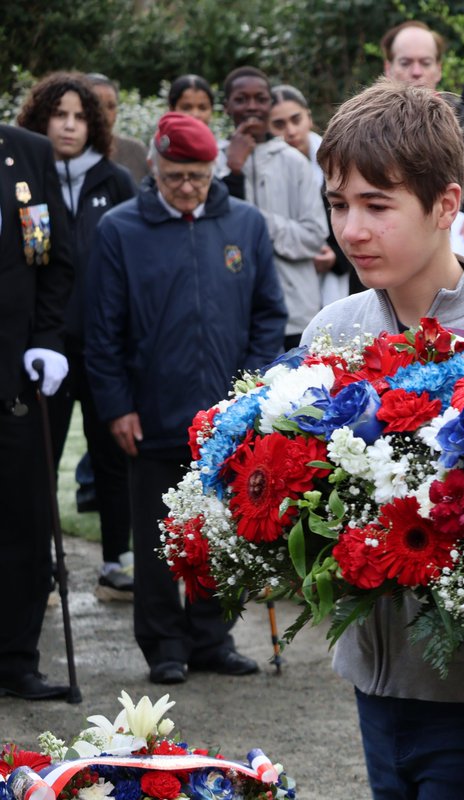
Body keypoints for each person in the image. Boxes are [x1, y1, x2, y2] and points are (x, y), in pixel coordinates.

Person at [301, 79, 464, 800]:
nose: (352, 230)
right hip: (373, 680)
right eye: (339, 204)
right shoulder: (331, 333)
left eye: (378, 206)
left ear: (446, 206)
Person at [87, 111, 287, 685]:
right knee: (160, 537)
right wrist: (116, 406)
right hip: (152, 412)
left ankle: (212, 637)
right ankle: (163, 645)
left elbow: (268, 314)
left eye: (197, 177)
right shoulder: (120, 229)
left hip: (228, 415)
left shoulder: (245, 223)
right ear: (154, 167)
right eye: (174, 176)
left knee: (220, 531)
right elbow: (102, 331)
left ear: (213, 170)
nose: (186, 188)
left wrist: (254, 389)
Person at [17, 72, 137, 601]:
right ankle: (41, 563)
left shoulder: (116, 181)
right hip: (46, 346)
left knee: (111, 456)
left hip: (107, 347)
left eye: (80, 116)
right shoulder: (24, 181)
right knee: (39, 458)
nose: (69, 126)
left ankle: (116, 562)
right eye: (58, 115)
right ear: (39, 119)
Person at [0, 122, 74, 700]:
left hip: (14, 380)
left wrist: (47, 337)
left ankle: (15, 658)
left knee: (23, 524)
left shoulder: (27, 153)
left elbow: (55, 259)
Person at [380, 20, 464, 247]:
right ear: (388, 68)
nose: (416, 72)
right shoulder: (367, 129)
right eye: (405, 63)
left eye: (425, 63)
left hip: (461, 256)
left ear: (438, 69)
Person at [217, 66, 328, 348]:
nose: (251, 107)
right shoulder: (213, 162)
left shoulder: (294, 162)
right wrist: (233, 170)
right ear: (227, 106)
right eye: (241, 99)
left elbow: (315, 235)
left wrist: (258, 222)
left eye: (260, 98)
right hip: (232, 312)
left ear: (270, 104)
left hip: (294, 311)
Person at [267, 84, 347, 305]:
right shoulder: (263, 173)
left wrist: (336, 257)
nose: (291, 131)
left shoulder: (338, 160)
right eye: (279, 125)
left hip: (340, 279)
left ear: (309, 118)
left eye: (296, 119)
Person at [84, 73, 149, 183]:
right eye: (96, 105)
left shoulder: (136, 152)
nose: (104, 114)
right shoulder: (62, 154)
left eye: (111, 106)